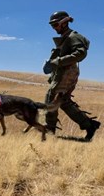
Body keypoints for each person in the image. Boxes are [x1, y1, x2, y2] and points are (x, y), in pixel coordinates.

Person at [43, 11, 100, 141]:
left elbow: (80, 54)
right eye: (52, 26)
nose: (54, 28)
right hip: (63, 73)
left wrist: (58, 61)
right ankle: (89, 125)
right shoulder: (65, 37)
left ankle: (49, 131)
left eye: (56, 25)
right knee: (63, 102)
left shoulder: (74, 36)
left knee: (51, 99)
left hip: (67, 73)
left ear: (64, 23)